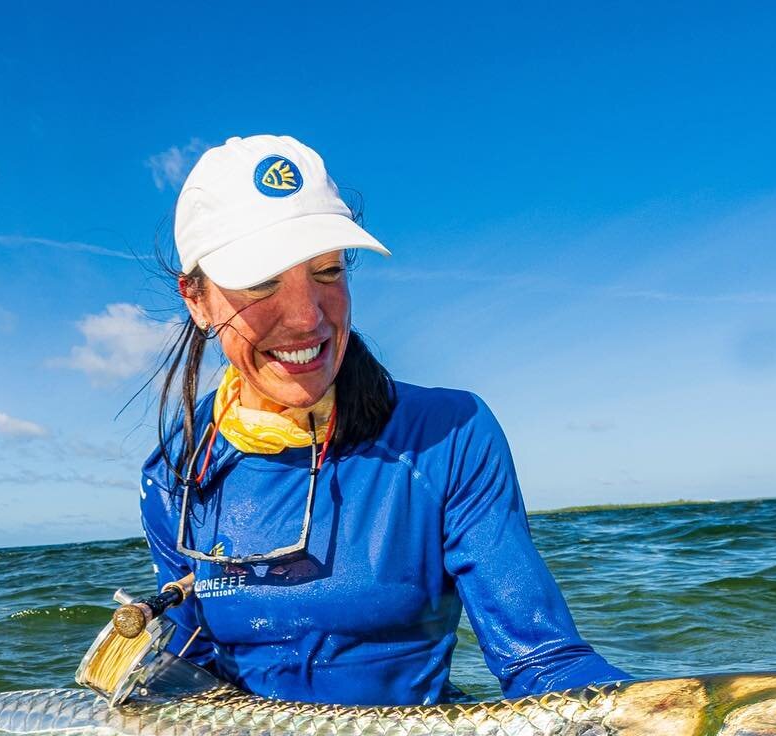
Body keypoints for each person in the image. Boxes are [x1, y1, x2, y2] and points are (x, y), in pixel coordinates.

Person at [141, 135, 626, 706]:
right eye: (262, 282)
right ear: (197, 301)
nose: (307, 318)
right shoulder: (176, 470)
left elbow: (545, 663)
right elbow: (183, 679)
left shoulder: (450, 434)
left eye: (326, 272)